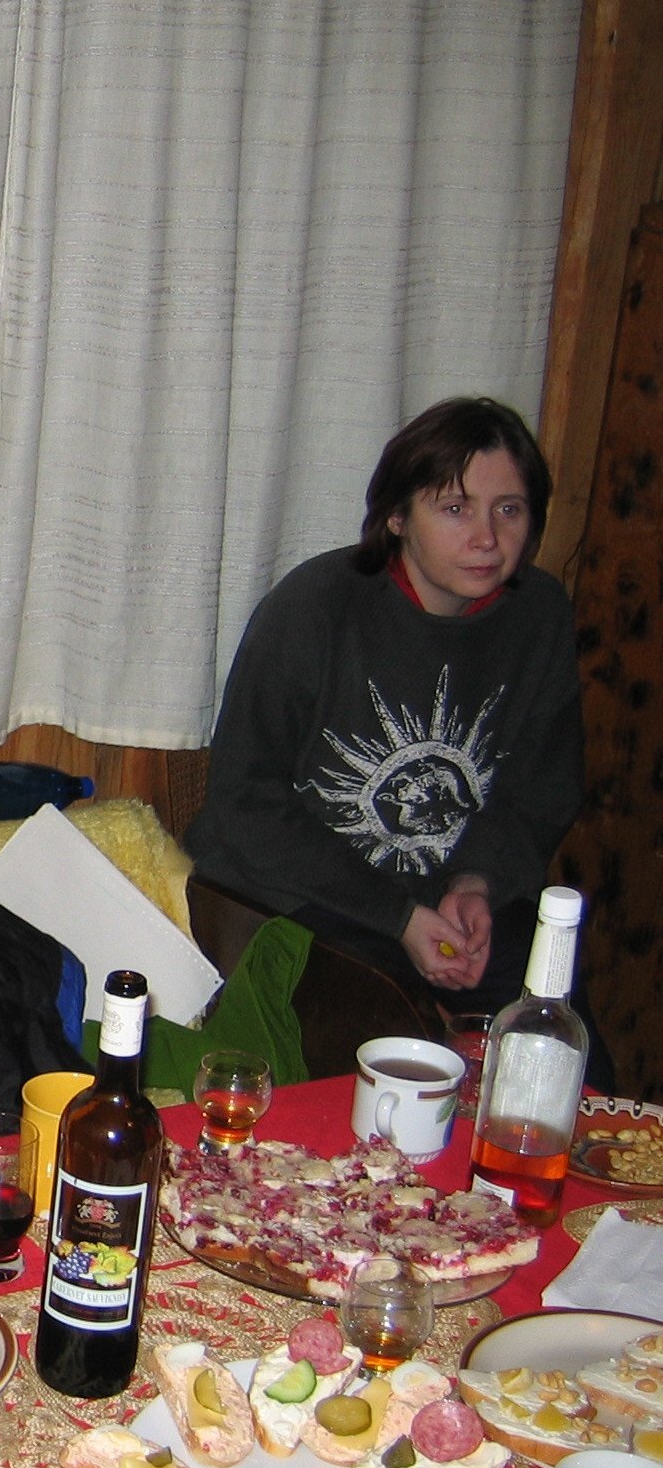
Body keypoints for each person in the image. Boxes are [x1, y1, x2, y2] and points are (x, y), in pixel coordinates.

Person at [187, 396, 593, 1037]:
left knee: (555, 1030)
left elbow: (543, 789)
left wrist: (477, 882)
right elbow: (245, 805)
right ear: (398, 516)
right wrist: (399, 917)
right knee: (400, 1038)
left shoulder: (539, 614)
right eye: (455, 509)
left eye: (508, 509)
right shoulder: (315, 606)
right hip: (296, 899)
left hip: (450, 899)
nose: (487, 538)